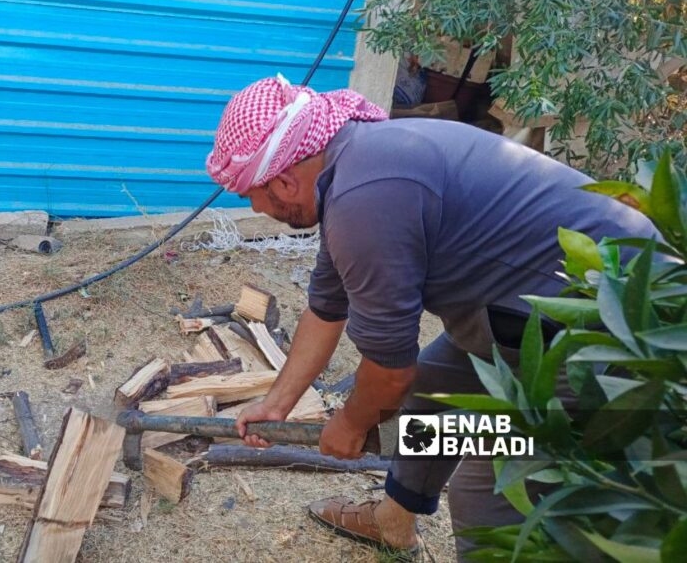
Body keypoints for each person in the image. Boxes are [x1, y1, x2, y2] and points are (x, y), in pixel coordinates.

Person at [205, 75, 655, 559]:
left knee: (488, 491)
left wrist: (351, 424)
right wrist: (277, 405)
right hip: (518, 314)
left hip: (610, 328)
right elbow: (325, 307)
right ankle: (394, 523)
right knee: (435, 389)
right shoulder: (356, 165)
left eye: (250, 194)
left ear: (285, 180)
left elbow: (390, 373)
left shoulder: (365, 202)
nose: (252, 206)